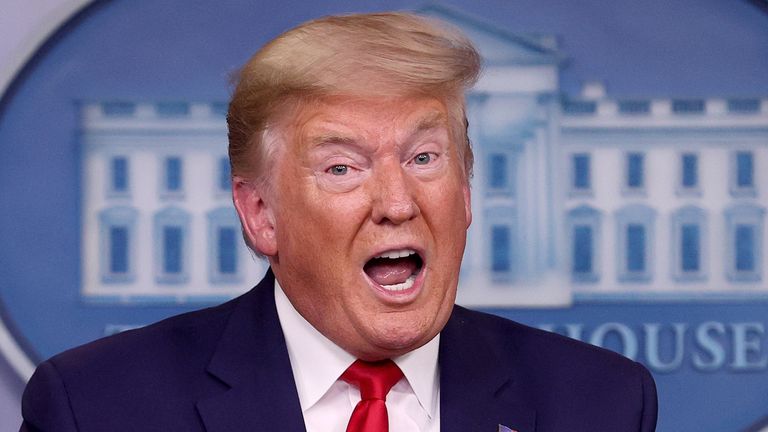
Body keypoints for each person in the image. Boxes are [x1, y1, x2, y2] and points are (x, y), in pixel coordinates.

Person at [20, 12, 657, 432]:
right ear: (261, 214)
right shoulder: (97, 406)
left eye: (424, 158)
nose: (398, 202)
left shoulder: (600, 403)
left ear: (465, 194)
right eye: (343, 168)